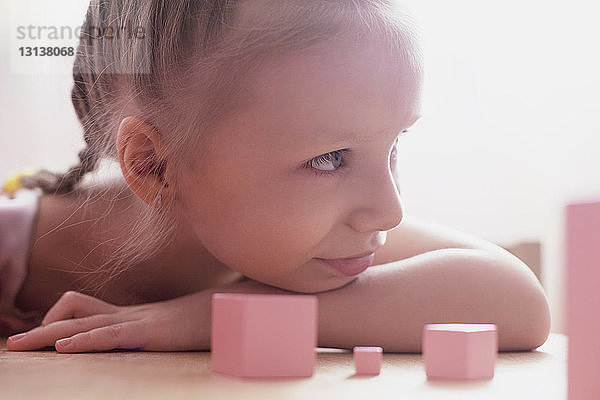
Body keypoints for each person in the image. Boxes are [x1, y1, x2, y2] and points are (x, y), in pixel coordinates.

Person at [1, 0, 550, 353]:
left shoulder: (300, 242)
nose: (389, 211)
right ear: (153, 166)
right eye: (330, 158)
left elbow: (518, 302)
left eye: (395, 144)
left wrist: (209, 319)